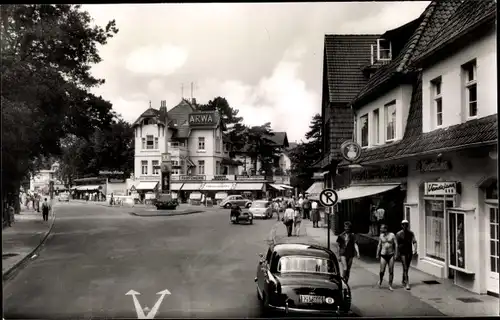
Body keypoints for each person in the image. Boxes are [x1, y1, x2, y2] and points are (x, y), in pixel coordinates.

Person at [396, 220, 417, 290]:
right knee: (405, 267)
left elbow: (414, 241)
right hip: (402, 252)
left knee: (406, 267)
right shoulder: (398, 234)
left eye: (406, 225)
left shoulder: (411, 233)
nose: (405, 226)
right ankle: (407, 283)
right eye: (403, 225)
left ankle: (403, 280)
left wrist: (415, 249)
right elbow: (396, 244)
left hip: (409, 251)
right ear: (401, 225)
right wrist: (397, 253)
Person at [376, 224, 398, 291]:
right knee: (382, 271)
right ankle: (381, 279)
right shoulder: (381, 236)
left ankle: (390, 285)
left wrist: (396, 254)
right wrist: (377, 253)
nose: (380, 229)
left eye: (381, 228)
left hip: (391, 254)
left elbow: (396, 244)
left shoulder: (392, 235)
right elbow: (379, 245)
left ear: (385, 229)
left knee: (391, 270)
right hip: (383, 255)